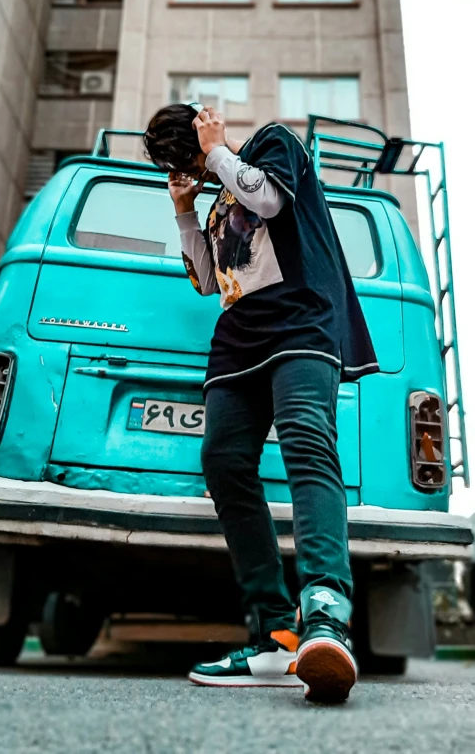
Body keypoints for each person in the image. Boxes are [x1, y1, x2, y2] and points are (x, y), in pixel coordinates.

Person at [143, 103, 379, 703]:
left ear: (206, 131)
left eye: (190, 155)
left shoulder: (273, 146)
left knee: (306, 445)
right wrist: (183, 210)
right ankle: (275, 633)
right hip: (238, 341)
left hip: (301, 326)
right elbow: (204, 279)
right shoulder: (220, 194)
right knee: (223, 464)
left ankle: (325, 615)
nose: (194, 167)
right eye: (184, 164)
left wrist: (218, 150)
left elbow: (269, 202)